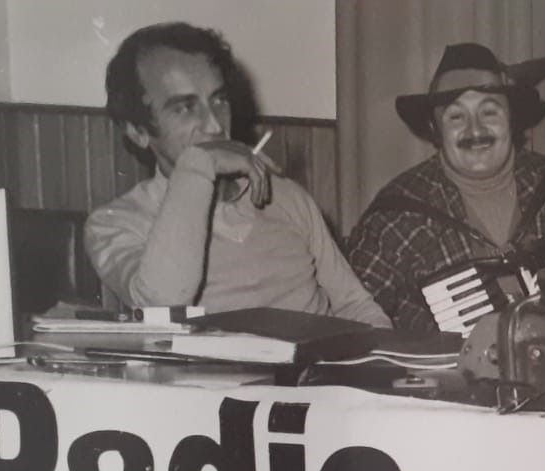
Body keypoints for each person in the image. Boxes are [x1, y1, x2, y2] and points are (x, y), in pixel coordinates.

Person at [85, 22, 392, 327]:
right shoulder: (117, 223)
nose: (215, 125)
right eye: (185, 108)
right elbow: (163, 304)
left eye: (219, 100)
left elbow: (356, 305)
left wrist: (384, 351)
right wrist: (197, 166)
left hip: (322, 358)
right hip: (211, 362)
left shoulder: (286, 196)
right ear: (137, 131)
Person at [346, 43, 545, 334]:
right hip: (445, 365)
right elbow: (350, 322)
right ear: (435, 129)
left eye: (489, 112)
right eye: (456, 117)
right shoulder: (394, 219)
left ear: (511, 120)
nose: (475, 130)